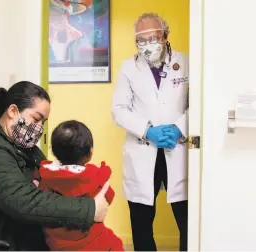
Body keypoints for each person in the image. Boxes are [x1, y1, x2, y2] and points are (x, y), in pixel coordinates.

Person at [0, 81, 110, 250]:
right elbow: (26, 202)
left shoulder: (25, 149)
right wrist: (89, 210)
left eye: (43, 122)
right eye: (36, 119)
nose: (39, 128)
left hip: (18, 241)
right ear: (13, 111)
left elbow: (49, 183)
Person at [111, 13, 189, 251]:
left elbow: (198, 104)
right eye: (140, 40)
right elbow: (119, 109)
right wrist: (148, 130)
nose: (147, 45)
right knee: (142, 221)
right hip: (144, 149)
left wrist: (179, 128)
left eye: (152, 38)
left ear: (165, 36)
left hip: (178, 149)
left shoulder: (187, 62)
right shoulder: (128, 68)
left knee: (187, 219)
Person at [34, 120, 123, 251]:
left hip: (56, 242)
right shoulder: (94, 176)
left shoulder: (47, 173)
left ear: (54, 151)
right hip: (91, 241)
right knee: (115, 244)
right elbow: (108, 197)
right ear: (90, 153)